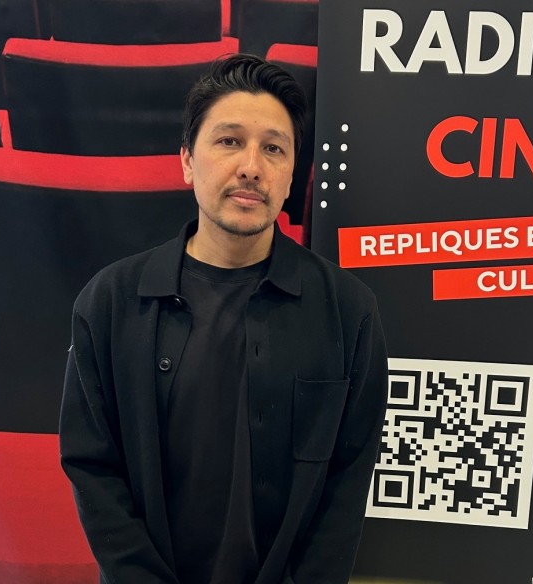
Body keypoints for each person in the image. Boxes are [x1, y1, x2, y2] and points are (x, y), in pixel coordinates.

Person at [59, 53, 388, 584]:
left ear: (291, 175)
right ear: (188, 160)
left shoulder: (348, 310)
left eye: (274, 148)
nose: (251, 166)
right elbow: (92, 465)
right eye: (229, 141)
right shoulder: (110, 302)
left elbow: (347, 486)